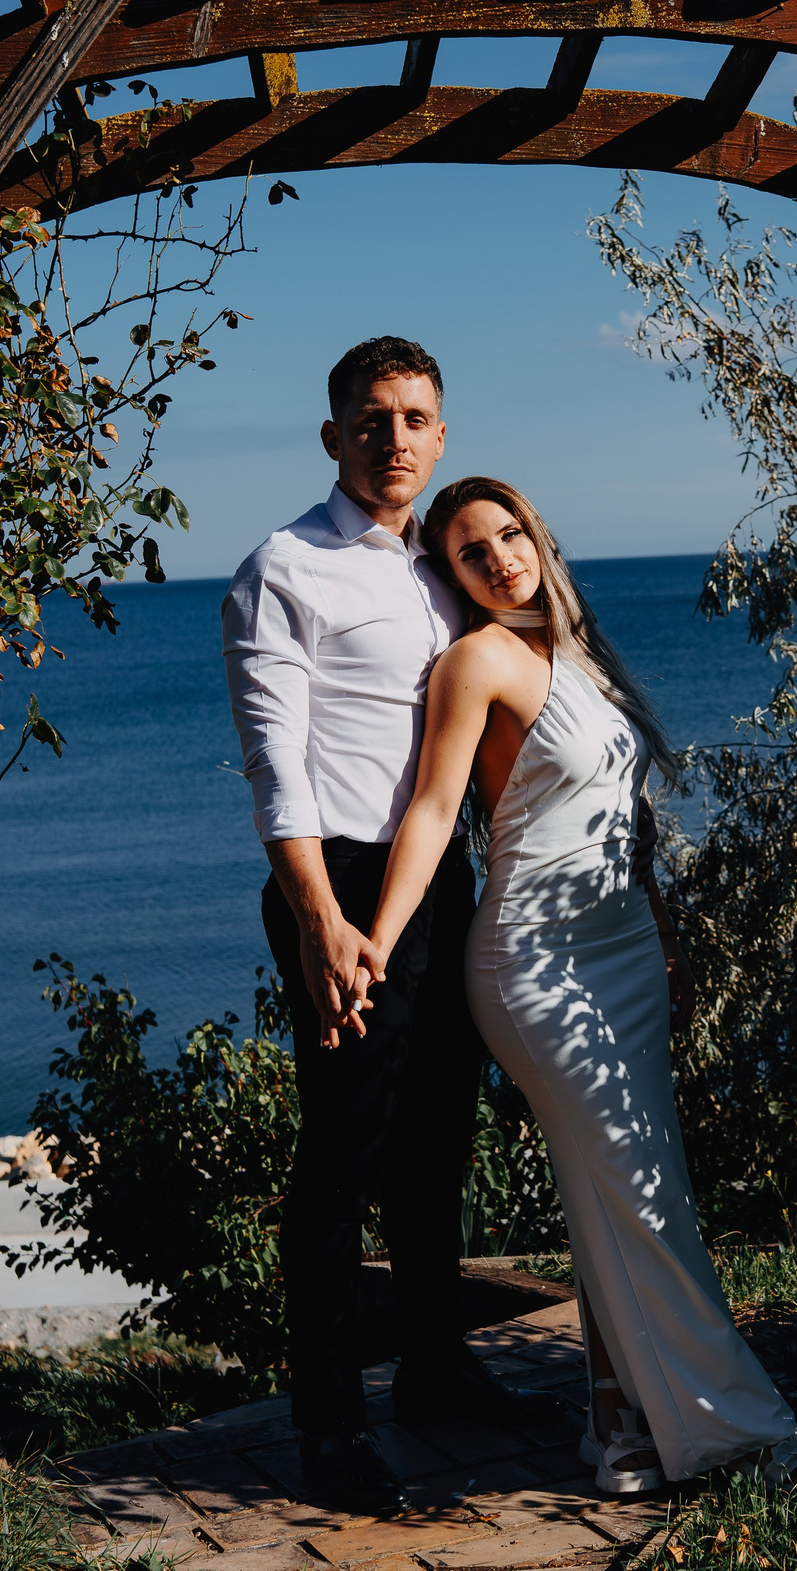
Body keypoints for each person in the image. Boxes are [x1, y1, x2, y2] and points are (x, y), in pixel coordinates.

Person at [359, 475, 797, 1493]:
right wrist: (378, 938)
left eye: (507, 534)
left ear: (536, 533)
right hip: (534, 960)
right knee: (644, 1197)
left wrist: (665, 941)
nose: (497, 559)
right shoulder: (476, 661)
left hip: (624, 953)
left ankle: (625, 1428)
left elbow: (625, 826)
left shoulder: (575, 648)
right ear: (452, 577)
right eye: (470, 553)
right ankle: (732, 1426)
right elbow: (434, 812)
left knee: (621, 1192)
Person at [221, 339, 560, 1519]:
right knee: (342, 1153)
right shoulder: (286, 566)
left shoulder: (446, 566)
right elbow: (274, 762)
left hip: (438, 879)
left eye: (415, 418)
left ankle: (434, 1363)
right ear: (334, 437)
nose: (395, 438)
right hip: (339, 884)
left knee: (437, 1140)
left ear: (443, 435)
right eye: (372, 420)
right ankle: (327, 1421)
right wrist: (319, 920)